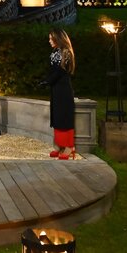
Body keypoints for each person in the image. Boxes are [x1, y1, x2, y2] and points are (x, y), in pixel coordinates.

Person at [41, 28, 77, 160]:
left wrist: (48, 81)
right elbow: (52, 70)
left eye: (52, 38)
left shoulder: (66, 52)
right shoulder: (55, 52)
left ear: (58, 38)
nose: (49, 41)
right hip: (55, 88)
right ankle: (58, 145)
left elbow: (60, 71)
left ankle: (69, 147)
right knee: (56, 116)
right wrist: (46, 80)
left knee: (64, 117)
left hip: (63, 89)